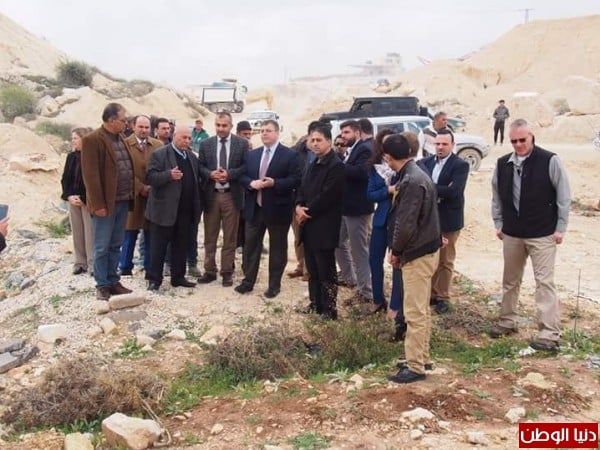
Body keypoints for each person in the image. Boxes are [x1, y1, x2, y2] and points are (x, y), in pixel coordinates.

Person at [490, 119, 571, 351]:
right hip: (512, 233)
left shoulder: (549, 160)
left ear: (531, 136)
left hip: (542, 233)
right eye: (513, 141)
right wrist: (499, 223)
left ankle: (549, 332)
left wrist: (560, 227)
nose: (518, 145)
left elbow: (563, 196)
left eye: (522, 140)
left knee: (544, 282)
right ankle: (507, 321)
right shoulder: (502, 164)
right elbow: (496, 196)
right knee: (510, 280)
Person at [384, 134, 441, 384]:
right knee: (421, 309)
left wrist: (396, 251)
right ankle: (421, 356)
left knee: (414, 312)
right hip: (425, 249)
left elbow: (406, 224)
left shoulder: (410, 180)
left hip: (417, 253)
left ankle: (415, 366)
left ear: (388, 157)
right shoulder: (417, 173)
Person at [235, 120, 301, 298]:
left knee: (277, 248)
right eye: (262, 130)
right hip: (255, 208)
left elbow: (296, 179)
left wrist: (275, 183)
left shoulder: (290, 155)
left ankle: (274, 285)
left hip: (278, 210)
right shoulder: (252, 155)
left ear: (277, 133)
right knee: (251, 247)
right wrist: (251, 183)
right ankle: (248, 281)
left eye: (269, 130)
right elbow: (242, 175)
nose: (264, 133)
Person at [81, 103, 134, 300]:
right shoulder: (92, 140)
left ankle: (113, 280)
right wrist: (98, 205)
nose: (126, 123)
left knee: (116, 244)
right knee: (102, 246)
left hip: (122, 200)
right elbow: (91, 176)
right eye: (123, 120)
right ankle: (102, 284)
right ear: (111, 120)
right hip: (105, 204)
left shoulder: (121, 139)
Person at [295, 124, 345, 319]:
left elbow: (328, 195)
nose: (315, 144)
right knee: (313, 268)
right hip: (308, 224)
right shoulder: (313, 162)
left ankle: (329, 309)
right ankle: (315, 303)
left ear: (329, 142)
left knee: (326, 270)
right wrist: (298, 206)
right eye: (312, 140)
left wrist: (307, 211)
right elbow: (303, 187)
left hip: (324, 225)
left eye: (319, 140)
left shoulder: (336, 165)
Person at [418, 129, 470, 314]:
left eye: (444, 144)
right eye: (437, 144)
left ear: (452, 145)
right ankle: (431, 294)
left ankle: (443, 297)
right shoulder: (425, 163)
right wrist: (441, 189)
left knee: (445, 260)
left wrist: (430, 187)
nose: (440, 147)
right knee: (430, 257)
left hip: (449, 219)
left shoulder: (460, 165)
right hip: (429, 218)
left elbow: (454, 192)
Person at [145, 126, 202, 290]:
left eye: (189, 138)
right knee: (158, 247)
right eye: (183, 137)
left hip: (185, 210)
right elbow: (150, 177)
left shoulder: (191, 157)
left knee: (181, 245)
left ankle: (178, 277)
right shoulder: (160, 154)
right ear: (174, 135)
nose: (187, 141)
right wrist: (168, 175)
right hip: (164, 210)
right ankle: (154, 279)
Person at [197, 112, 248, 287]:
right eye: (218, 125)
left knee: (230, 237)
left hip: (231, 196)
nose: (220, 128)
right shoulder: (206, 144)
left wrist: (230, 174)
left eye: (224, 125)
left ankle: (227, 272)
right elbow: (200, 166)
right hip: (211, 195)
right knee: (210, 236)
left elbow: (245, 167)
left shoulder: (241, 144)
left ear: (231, 126)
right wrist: (210, 174)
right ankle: (209, 270)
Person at [118, 115, 163, 275]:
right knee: (129, 232)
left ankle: (150, 267)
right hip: (132, 196)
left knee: (151, 233)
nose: (144, 130)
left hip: (153, 196)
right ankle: (125, 267)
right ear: (133, 126)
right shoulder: (124, 145)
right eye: (141, 127)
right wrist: (140, 187)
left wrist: (153, 186)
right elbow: (122, 171)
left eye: (146, 127)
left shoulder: (158, 145)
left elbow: (162, 168)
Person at [335, 120, 374, 304]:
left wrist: (337, 162)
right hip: (346, 206)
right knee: (338, 242)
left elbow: (361, 173)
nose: (343, 136)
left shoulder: (365, 148)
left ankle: (366, 292)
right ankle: (349, 278)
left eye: (346, 132)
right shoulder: (355, 148)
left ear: (357, 132)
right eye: (342, 133)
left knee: (359, 251)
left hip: (358, 208)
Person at [367, 128, 396, 314]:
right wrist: (388, 190)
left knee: (397, 263)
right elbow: (370, 194)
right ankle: (378, 299)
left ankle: (396, 304)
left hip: (399, 220)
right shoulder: (374, 167)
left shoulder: (404, 166)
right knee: (374, 260)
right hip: (381, 219)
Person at [287, 121, 319, 281]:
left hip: (316, 201)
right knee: (298, 236)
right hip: (297, 200)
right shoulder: (297, 152)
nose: (315, 141)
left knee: (312, 237)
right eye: (313, 137)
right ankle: (301, 266)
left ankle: (310, 270)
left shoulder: (326, 153)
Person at [61, 127, 94, 275]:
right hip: (73, 199)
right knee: (77, 231)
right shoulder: (71, 157)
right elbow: (65, 179)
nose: (72, 141)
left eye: (75, 138)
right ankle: (80, 262)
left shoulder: (93, 156)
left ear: (84, 138)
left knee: (90, 232)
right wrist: (68, 196)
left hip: (88, 200)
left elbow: (94, 181)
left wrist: (84, 198)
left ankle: (92, 263)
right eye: (72, 138)